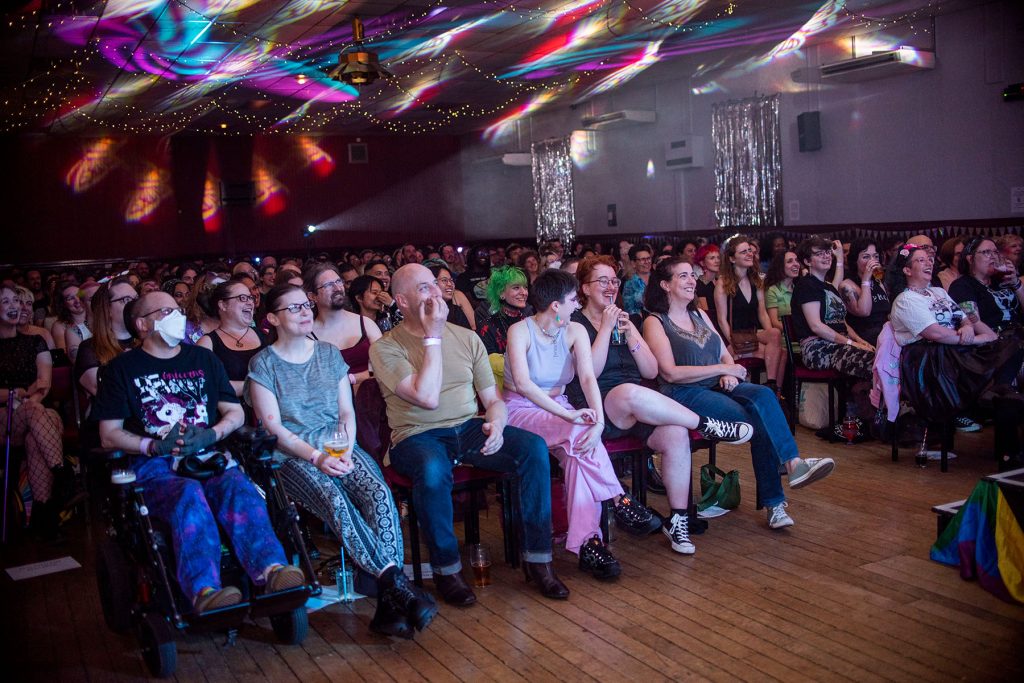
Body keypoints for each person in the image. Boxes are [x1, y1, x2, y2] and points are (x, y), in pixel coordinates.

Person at [94, 290, 305, 613]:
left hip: (205, 453)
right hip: (155, 463)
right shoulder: (122, 369)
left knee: (238, 488)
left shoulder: (203, 360)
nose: (176, 316)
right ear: (141, 324)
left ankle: (272, 569)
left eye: (177, 309)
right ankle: (204, 590)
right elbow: (109, 435)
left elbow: (233, 412)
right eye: (165, 312)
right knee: (188, 495)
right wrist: (153, 445)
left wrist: (211, 433)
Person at [370, 264, 569, 606]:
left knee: (533, 448)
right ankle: (447, 569)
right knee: (432, 471)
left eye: (435, 285)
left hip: (467, 426)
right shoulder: (386, 347)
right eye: (423, 289)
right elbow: (427, 398)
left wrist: (497, 422)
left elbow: (493, 400)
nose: (435, 293)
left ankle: (539, 560)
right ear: (401, 301)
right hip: (417, 435)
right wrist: (433, 336)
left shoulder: (466, 337)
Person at [248, 284, 435, 639]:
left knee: (378, 491)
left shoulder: (328, 353)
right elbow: (273, 428)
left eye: (306, 305)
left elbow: (346, 410)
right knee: (336, 501)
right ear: (272, 318)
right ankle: (398, 585)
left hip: (338, 446)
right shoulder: (264, 363)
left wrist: (345, 450)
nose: (305, 312)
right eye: (294, 308)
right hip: (293, 456)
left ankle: (389, 600)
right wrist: (317, 457)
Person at [569, 257, 753, 555]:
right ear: (585, 288)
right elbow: (591, 371)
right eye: (602, 281)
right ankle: (705, 424)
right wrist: (605, 328)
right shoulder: (574, 323)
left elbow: (651, 370)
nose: (610, 287)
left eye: (614, 281)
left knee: (676, 433)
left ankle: (678, 520)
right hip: (598, 405)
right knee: (628, 392)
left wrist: (630, 334)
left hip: (638, 403)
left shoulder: (625, 318)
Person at [642, 259, 836, 530]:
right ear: (665, 285)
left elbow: (724, 353)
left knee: (764, 396)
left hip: (717, 384)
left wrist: (729, 373)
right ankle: (775, 501)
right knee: (757, 419)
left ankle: (793, 464)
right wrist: (723, 368)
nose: (691, 281)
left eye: (692, 275)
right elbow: (670, 373)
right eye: (682, 276)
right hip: (683, 394)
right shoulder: (655, 321)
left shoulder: (699, 315)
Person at [0, 284, 68, 539]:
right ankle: (61, 476)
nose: (15, 306)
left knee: (35, 431)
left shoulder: (35, 342)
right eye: (6, 302)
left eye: (16, 301)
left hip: (35, 414)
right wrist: (17, 393)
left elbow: (43, 384)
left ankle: (44, 515)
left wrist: (25, 397)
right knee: (37, 413)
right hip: (3, 419)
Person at [790, 236, 874, 381]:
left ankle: (861, 399)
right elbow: (816, 326)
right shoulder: (806, 285)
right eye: (819, 253)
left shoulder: (828, 287)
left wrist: (860, 340)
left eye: (827, 252)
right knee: (873, 363)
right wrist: (851, 343)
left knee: (879, 357)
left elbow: (842, 322)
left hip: (837, 344)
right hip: (817, 348)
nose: (826, 256)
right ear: (807, 261)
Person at [714, 236, 786, 394]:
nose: (749, 254)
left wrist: (771, 342)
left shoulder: (755, 280)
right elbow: (721, 319)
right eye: (743, 252)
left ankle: (772, 385)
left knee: (776, 337)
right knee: (781, 354)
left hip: (753, 334)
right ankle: (775, 393)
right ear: (732, 258)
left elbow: (762, 313)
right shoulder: (723, 283)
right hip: (737, 337)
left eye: (750, 251)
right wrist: (733, 342)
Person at [305, 263, 381, 393]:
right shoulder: (307, 335)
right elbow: (310, 381)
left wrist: (352, 378)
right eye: (328, 285)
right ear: (312, 296)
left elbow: (386, 366)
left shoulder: (366, 324)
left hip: (371, 401)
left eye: (338, 281)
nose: (337, 288)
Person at [197, 279, 265, 398]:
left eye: (250, 298)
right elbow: (207, 385)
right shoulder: (207, 343)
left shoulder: (264, 335)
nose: (250, 302)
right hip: (232, 412)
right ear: (223, 305)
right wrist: (261, 388)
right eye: (243, 298)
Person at [837, 238, 891, 347]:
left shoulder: (878, 281)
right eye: (866, 257)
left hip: (886, 332)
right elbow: (864, 311)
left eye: (875, 256)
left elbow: (887, 311)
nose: (872, 261)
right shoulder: (846, 285)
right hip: (865, 337)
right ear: (854, 260)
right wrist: (865, 280)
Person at [477, 265, 531, 356]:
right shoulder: (487, 327)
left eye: (525, 287)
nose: (524, 292)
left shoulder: (530, 322)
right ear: (501, 293)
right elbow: (488, 362)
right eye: (516, 287)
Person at [51, 283, 91, 362]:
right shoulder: (60, 325)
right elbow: (65, 355)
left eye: (79, 295)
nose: (77, 300)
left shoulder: (97, 317)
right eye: (70, 298)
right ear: (64, 304)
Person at [764, 250, 800, 333]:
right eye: (790, 261)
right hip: (785, 338)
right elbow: (774, 323)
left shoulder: (799, 289)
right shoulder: (772, 290)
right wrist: (798, 332)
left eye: (797, 260)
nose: (796, 264)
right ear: (780, 266)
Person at [621, 245, 653, 316]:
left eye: (648, 258)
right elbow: (628, 309)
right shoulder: (629, 283)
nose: (647, 262)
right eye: (642, 259)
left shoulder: (657, 279)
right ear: (633, 263)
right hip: (639, 322)